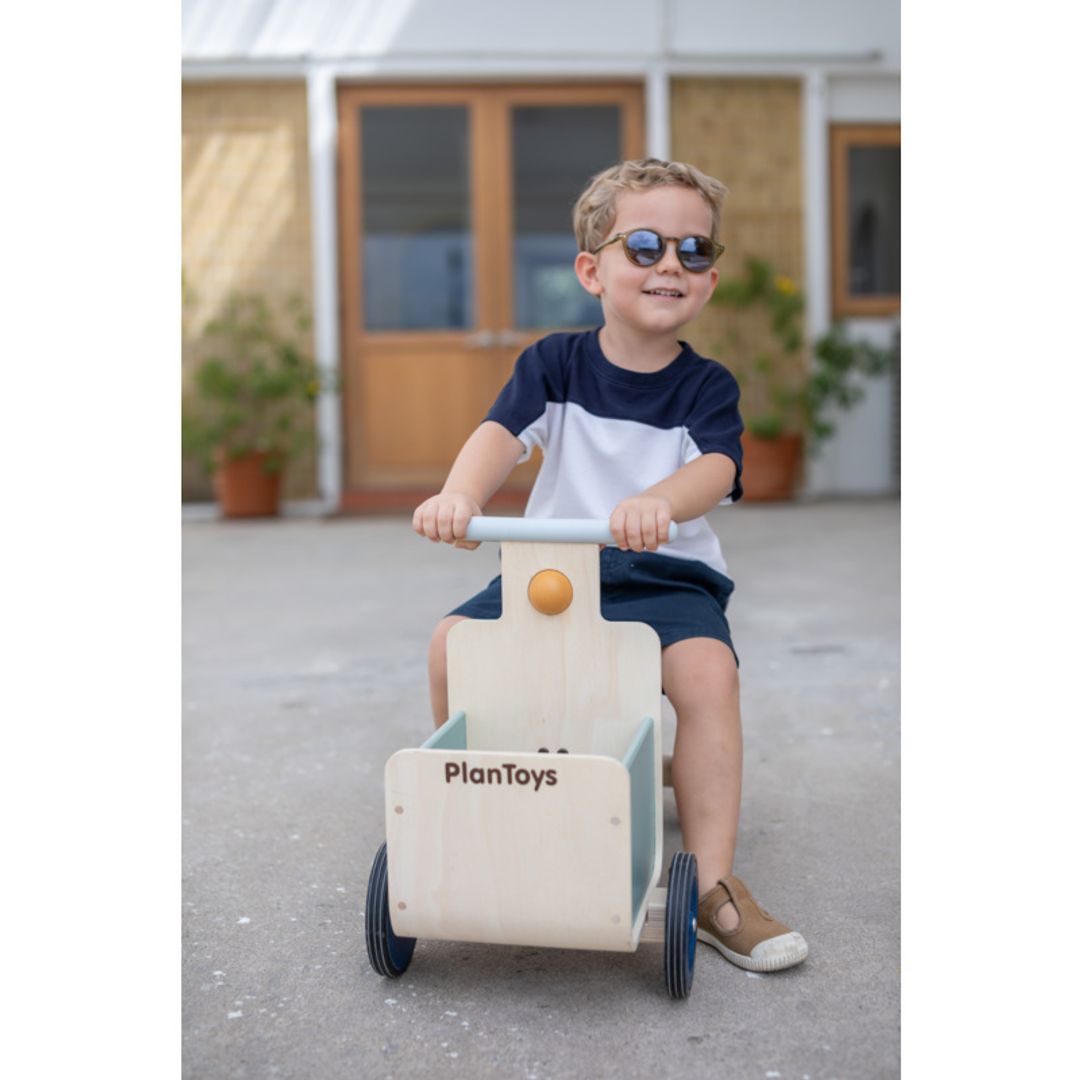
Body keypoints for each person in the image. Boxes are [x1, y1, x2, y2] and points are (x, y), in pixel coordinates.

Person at [412, 158, 808, 973]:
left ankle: (713, 888)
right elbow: (500, 438)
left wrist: (660, 500)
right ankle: (484, 815)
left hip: (665, 575)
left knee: (706, 676)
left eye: (694, 251)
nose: (672, 264)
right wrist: (459, 493)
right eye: (647, 244)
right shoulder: (553, 365)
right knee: (455, 645)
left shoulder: (705, 386)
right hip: (552, 572)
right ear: (593, 269)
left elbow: (719, 469)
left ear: (710, 277)